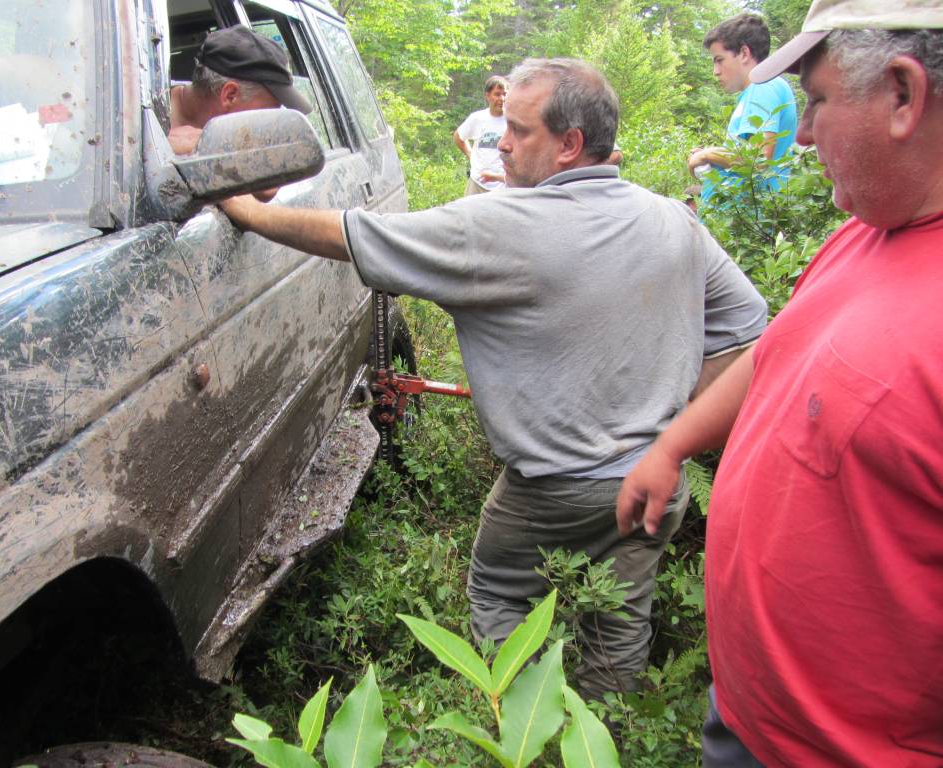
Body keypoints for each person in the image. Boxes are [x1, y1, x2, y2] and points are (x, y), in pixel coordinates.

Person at [218, 58, 767, 698]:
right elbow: (748, 334)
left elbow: (353, 235)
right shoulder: (673, 218)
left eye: (519, 130)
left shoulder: (498, 225)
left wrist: (248, 212)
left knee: (500, 596)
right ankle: (607, 727)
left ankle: (514, 721)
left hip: (552, 490)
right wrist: (671, 427)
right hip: (658, 481)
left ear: (569, 144)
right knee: (617, 626)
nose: (500, 143)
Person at [616, 2, 943, 765]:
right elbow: (779, 352)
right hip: (750, 712)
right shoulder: (867, 232)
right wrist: (673, 444)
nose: (802, 134)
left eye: (818, 101)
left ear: (903, 94)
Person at [689, 14, 797, 208]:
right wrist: (712, 156)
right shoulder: (755, 92)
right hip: (740, 218)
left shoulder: (764, 86)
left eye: (719, 60)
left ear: (744, 53)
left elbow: (758, 160)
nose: (715, 71)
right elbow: (744, 158)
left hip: (750, 219)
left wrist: (707, 155)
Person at [168, 26, 312, 156]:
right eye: (266, 114)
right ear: (230, 96)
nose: (269, 126)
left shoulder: (236, 145)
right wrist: (162, 152)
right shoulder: (154, 119)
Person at [453, 75, 508, 194]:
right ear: (487, 96)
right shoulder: (477, 118)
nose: (502, 98)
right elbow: (458, 137)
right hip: (477, 182)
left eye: (505, 94)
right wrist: (470, 154)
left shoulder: (512, 121)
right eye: (497, 94)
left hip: (502, 185)